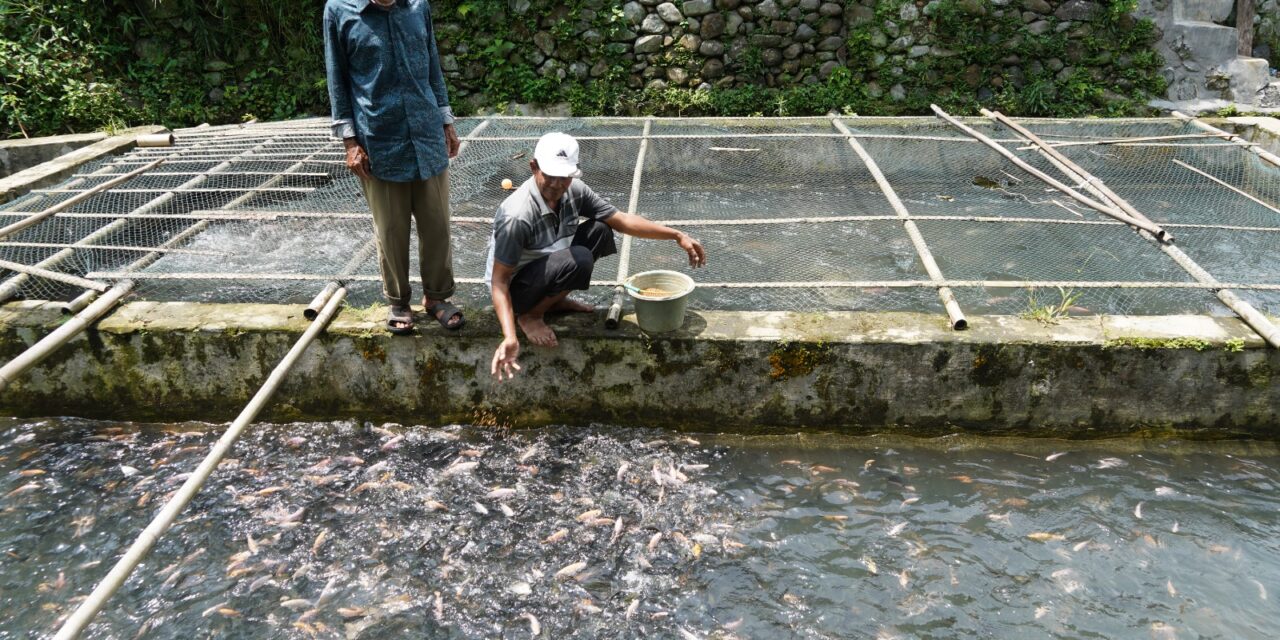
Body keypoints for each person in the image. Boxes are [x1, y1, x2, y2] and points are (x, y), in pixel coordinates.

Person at [487, 132, 707, 380]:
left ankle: (553, 302)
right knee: (579, 259)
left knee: (601, 230)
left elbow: (622, 220)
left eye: (565, 177)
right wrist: (509, 335)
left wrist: (676, 235)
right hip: (516, 290)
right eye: (550, 175)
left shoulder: (574, 191)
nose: (557, 185)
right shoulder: (517, 216)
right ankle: (531, 315)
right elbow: (499, 281)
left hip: (547, 268)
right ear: (533, 167)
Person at [324, 0, 464, 335]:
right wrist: (349, 141)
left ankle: (437, 297)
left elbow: (432, 64)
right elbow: (337, 77)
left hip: (426, 133)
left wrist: (445, 120)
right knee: (391, 229)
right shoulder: (340, 10)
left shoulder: (418, 6)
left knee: (437, 225)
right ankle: (399, 301)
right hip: (379, 138)